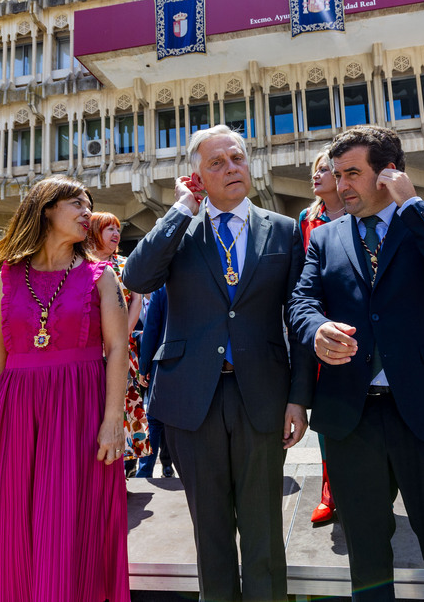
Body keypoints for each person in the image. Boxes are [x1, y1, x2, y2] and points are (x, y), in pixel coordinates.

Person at [288, 126, 424, 602]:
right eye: (337, 175)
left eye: (352, 173)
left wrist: (413, 205)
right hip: (350, 416)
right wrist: (316, 329)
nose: (342, 186)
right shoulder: (325, 238)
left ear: (389, 172)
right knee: (367, 556)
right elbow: (301, 302)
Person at [122, 124, 313, 602]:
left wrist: (299, 398)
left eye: (237, 159)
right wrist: (181, 209)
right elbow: (139, 276)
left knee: (263, 526)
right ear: (196, 177)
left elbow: (298, 315)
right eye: (217, 163)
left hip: (262, 395)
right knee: (209, 528)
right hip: (191, 397)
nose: (232, 168)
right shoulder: (179, 229)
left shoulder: (284, 231)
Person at [0, 175, 129, 602]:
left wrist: (112, 422)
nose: (88, 213)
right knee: (13, 523)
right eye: (77, 205)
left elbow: (119, 351)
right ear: (47, 208)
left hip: (79, 409)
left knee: (70, 520)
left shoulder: (102, 276)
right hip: (17, 412)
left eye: (90, 206)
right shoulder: (7, 278)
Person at [296, 148, 346, 524]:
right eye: (316, 170)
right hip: (320, 329)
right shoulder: (306, 219)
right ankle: (331, 491)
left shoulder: (361, 209)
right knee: (327, 413)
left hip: (359, 324)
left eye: (325, 169)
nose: (317, 175)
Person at [90, 212, 149, 471]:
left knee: (126, 403)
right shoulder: (81, 265)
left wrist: (121, 336)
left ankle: (127, 466)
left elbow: (137, 300)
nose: (116, 234)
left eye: (117, 229)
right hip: (89, 349)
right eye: (108, 229)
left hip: (123, 348)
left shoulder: (126, 265)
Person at [136, 285, 174, 478]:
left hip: (164, 361)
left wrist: (144, 367)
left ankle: (145, 470)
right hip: (197, 365)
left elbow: (151, 328)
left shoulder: (163, 289)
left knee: (155, 418)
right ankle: (171, 466)